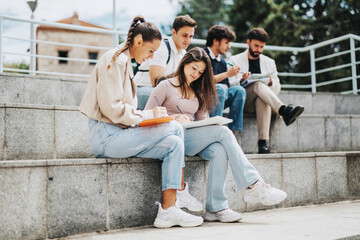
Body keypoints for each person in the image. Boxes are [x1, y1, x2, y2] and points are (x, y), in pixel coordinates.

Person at [79, 16, 204, 229]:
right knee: (174, 126)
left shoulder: (124, 61)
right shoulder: (116, 61)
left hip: (118, 133)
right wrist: (148, 116)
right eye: (151, 51)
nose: (152, 57)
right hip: (107, 136)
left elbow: (120, 110)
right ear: (138, 42)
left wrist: (149, 117)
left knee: (174, 144)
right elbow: (112, 108)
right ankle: (179, 193)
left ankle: (167, 210)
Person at [145, 47, 287, 223]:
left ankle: (216, 208)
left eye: (201, 72)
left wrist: (208, 122)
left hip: (193, 136)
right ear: (184, 64)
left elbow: (202, 119)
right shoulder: (165, 85)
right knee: (222, 132)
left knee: (219, 149)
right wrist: (173, 117)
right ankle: (253, 184)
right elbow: (147, 115)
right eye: (193, 68)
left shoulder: (199, 91)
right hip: (172, 137)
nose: (196, 74)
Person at [229, 28, 304, 154]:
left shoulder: (270, 62)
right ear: (248, 43)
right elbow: (230, 85)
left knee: (262, 100)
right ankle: (284, 111)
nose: (258, 49)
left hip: (262, 101)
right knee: (258, 84)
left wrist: (270, 82)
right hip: (244, 100)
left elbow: (277, 88)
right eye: (256, 45)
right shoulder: (235, 60)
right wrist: (241, 80)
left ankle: (263, 144)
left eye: (262, 47)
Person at [133, 14, 197, 110]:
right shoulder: (162, 47)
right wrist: (182, 74)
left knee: (195, 98)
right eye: (184, 35)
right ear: (174, 32)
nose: (188, 40)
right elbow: (155, 81)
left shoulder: (183, 54)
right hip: (142, 89)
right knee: (173, 99)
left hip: (163, 92)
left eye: (191, 36)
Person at [204, 25, 246, 133]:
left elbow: (226, 86)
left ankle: (232, 132)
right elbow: (202, 81)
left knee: (239, 90)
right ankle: (215, 130)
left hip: (218, 98)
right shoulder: (202, 55)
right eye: (226, 42)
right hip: (203, 98)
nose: (229, 46)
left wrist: (240, 79)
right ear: (216, 41)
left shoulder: (222, 62)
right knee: (221, 88)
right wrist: (227, 74)